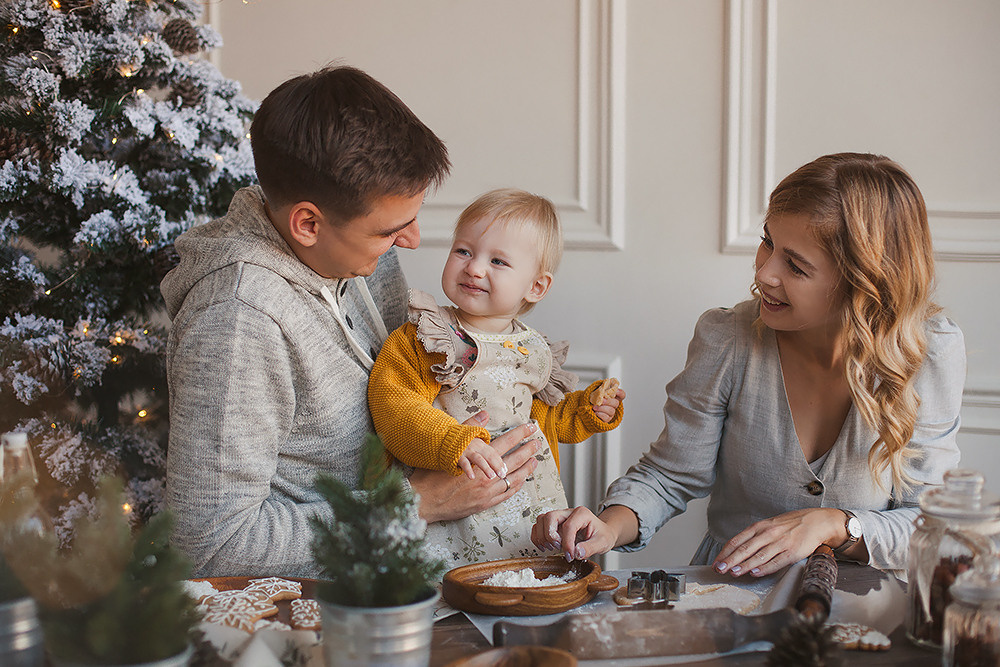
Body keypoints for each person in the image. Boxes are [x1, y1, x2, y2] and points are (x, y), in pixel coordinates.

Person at [161, 66, 541, 578]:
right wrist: (414, 505)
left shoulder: (359, 252)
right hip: (316, 618)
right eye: (390, 230)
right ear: (309, 223)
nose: (411, 240)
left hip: (413, 577)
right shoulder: (239, 321)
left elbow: (406, 385)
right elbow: (209, 545)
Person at [532, 153, 965, 579]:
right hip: (732, 598)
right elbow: (669, 476)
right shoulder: (728, 336)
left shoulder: (928, 353)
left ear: (865, 280)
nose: (764, 272)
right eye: (768, 242)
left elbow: (936, 526)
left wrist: (837, 525)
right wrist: (610, 526)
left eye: (795, 265)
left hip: (865, 613)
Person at [368, 188, 625, 568]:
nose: (474, 268)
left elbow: (541, 422)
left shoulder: (533, 349)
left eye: (498, 261)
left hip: (524, 510)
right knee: (451, 597)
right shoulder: (427, 336)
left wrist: (586, 412)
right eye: (464, 251)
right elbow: (395, 408)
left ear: (536, 286)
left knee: (520, 590)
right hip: (447, 508)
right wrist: (455, 442)